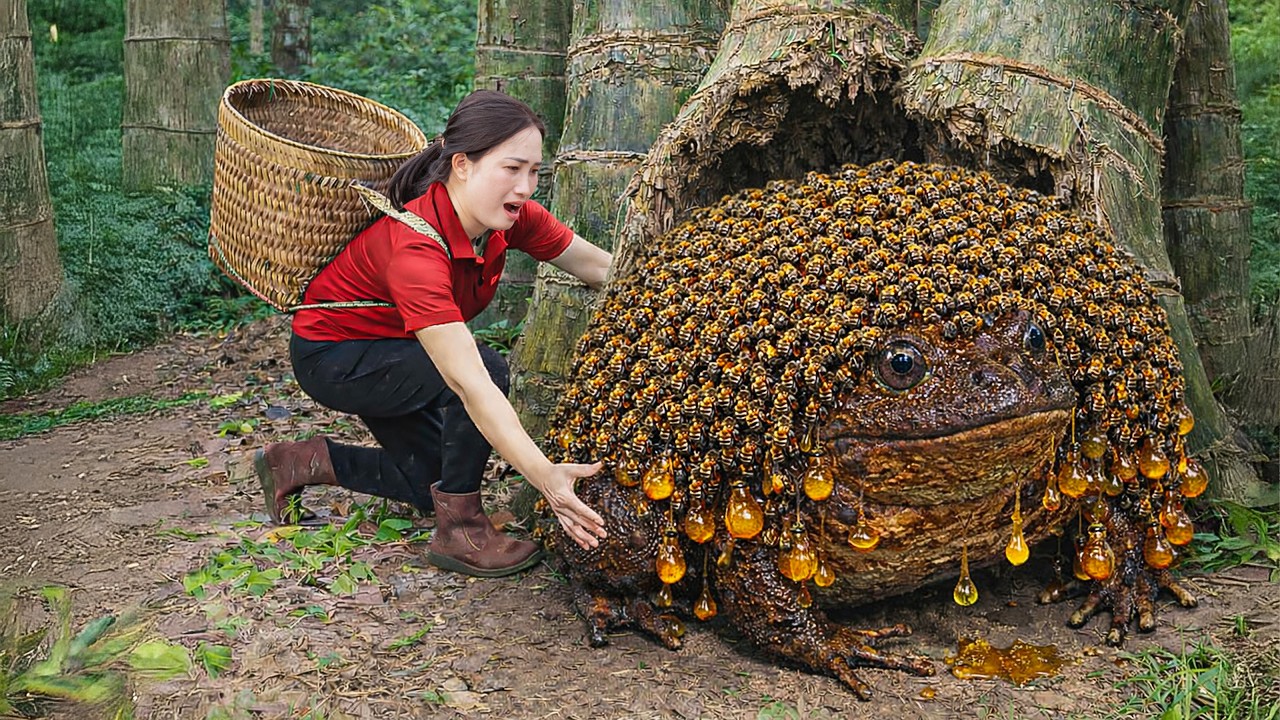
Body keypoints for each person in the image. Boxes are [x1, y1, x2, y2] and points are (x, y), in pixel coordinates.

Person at [253, 89, 609, 578]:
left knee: (428, 482)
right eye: (512, 168)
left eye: (534, 172)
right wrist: (546, 476)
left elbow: (596, 266)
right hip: (335, 356)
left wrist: (680, 281)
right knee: (485, 368)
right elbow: (469, 383)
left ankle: (297, 462)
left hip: (397, 347)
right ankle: (461, 531)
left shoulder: (508, 218)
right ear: (462, 165)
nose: (526, 186)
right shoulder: (417, 250)